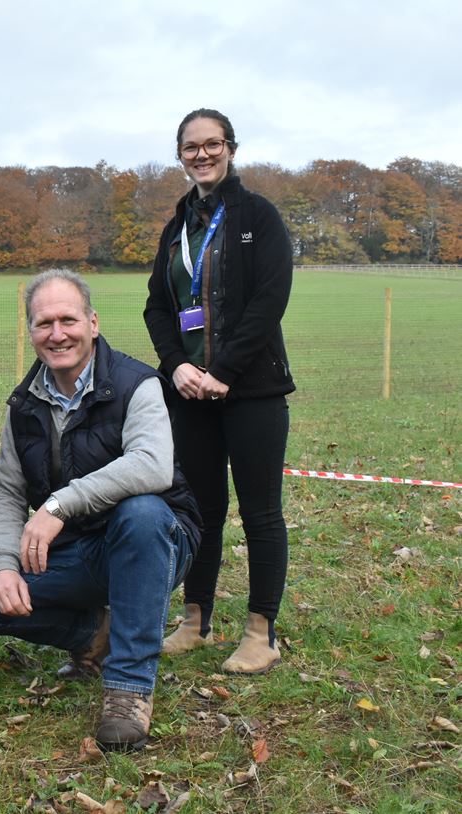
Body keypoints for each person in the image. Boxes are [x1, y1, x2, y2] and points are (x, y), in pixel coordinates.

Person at [0, 269, 200, 751]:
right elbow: (4, 493)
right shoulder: (24, 405)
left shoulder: (138, 384)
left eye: (68, 320)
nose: (57, 333)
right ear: (31, 332)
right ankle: (93, 634)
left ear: (93, 323)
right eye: (44, 323)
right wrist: (2, 566)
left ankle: (128, 689)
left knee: (141, 512)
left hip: (154, 543)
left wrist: (59, 505)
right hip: (77, 551)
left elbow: (151, 466)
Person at [143, 108, 295, 675]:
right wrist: (177, 365)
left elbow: (268, 299)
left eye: (212, 144)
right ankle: (195, 621)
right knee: (200, 512)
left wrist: (223, 369)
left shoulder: (258, 215)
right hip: (190, 395)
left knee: (261, 513)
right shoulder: (176, 225)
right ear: (179, 154)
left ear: (231, 147)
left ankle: (261, 631)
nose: (202, 155)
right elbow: (159, 306)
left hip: (252, 390)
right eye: (190, 147)